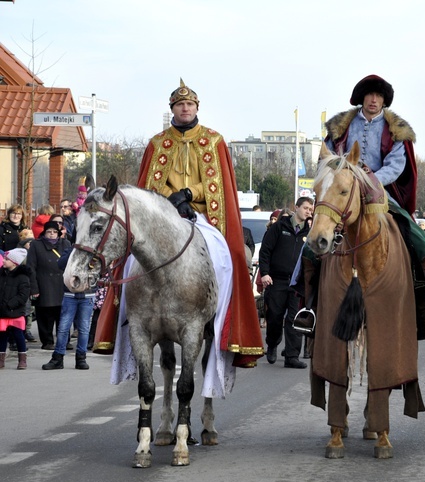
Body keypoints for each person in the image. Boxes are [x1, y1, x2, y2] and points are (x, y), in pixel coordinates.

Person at [95, 79, 264, 368]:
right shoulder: (156, 144)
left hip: (202, 215)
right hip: (164, 214)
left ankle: (225, 322)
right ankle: (125, 321)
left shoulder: (214, 141)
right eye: (179, 104)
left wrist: (189, 194)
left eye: (190, 104)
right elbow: (147, 188)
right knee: (129, 259)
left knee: (234, 256)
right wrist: (170, 200)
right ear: (172, 108)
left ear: (197, 108)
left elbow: (217, 186)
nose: (185, 108)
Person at [322, 74, 425, 335]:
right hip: (342, 192)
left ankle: (422, 307)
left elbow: (396, 166)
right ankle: (308, 308)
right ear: (362, 98)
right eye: (369, 94)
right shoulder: (340, 128)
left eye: (378, 96)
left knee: (419, 238)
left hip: (381, 194)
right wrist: (348, 176)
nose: (374, 100)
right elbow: (328, 159)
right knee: (313, 241)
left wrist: (370, 180)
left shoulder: (396, 130)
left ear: (384, 101)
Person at [258, 197, 313, 369]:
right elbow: (265, 250)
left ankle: (292, 356)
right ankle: (273, 344)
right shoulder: (279, 227)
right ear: (296, 208)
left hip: (297, 284)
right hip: (277, 281)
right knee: (274, 317)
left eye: (311, 210)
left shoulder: (310, 233)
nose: (308, 212)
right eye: (305, 208)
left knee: (294, 319)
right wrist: (265, 274)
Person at [41, 247, 94, 370]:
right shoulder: (70, 250)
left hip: (88, 293)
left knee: (84, 328)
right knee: (63, 327)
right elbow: (60, 263)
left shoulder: (94, 250)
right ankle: (58, 358)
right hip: (70, 294)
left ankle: (81, 358)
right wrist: (75, 251)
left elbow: (100, 268)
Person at [26, 221, 71, 350]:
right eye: (49, 232)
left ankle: (64, 341)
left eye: (54, 232)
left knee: (63, 315)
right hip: (43, 283)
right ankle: (47, 341)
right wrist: (34, 288)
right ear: (44, 233)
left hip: (62, 285)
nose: (52, 234)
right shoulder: (36, 245)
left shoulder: (65, 244)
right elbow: (31, 267)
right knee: (45, 315)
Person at [0, 248, 31, 370]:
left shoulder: (23, 277)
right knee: (2, 336)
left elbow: (23, 296)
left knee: (19, 336)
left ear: (14, 262)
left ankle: (22, 359)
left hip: (15, 312)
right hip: (2, 312)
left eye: (7, 259)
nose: (4, 260)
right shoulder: (1, 274)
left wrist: (9, 304)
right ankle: (1, 359)